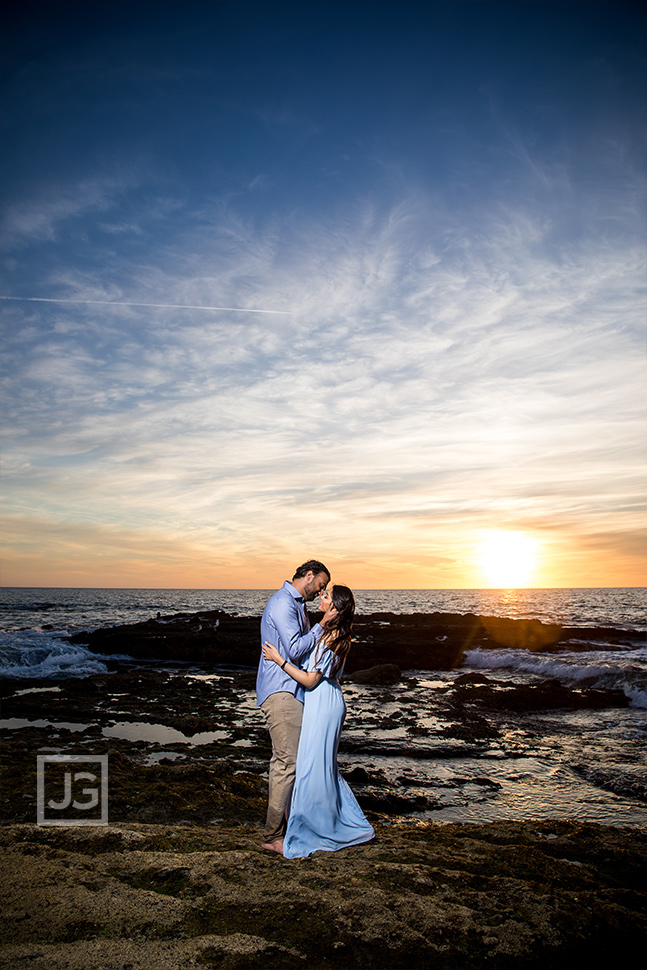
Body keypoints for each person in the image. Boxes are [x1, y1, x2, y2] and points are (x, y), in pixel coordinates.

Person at [261, 584, 375, 858]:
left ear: (334, 607)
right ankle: (313, 823)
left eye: (326, 596)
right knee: (314, 767)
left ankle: (319, 828)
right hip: (320, 700)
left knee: (315, 768)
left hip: (323, 702)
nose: (321, 597)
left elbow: (311, 679)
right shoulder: (327, 631)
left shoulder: (334, 636)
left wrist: (279, 660)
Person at [256, 560, 335, 852]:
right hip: (281, 692)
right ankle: (271, 837)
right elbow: (295, 649)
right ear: (309, 576)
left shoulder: (297, 605)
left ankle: (290, 830)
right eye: (322, 584)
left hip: (293, 690)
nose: (321, 590)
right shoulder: (282, 603)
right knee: (287, 763)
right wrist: (322, 625)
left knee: (294, 763)